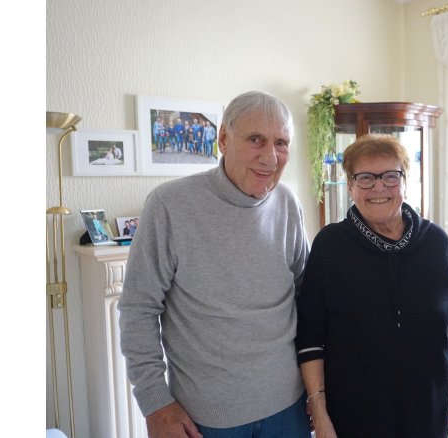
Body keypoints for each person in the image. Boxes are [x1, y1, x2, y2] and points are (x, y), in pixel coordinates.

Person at [119, 90, 311, 437]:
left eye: (281, 143)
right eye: (256, 139)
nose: (270, 157)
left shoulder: (287, 204)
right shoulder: (169, 205)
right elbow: (138, 309)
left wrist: (317, 392)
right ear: (223, 138)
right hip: (206, 418)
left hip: (290, 408)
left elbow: (306, 298)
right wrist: (155, 403)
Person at [295, 134, 448, 438]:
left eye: (391, 176)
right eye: (365, 177)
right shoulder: (330, 247)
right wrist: (319, 413)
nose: (379, 187)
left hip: (427, 414)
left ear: (405, 181)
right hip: (354, 417)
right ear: (351, 185)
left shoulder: (436, 242)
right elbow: (310, 337)